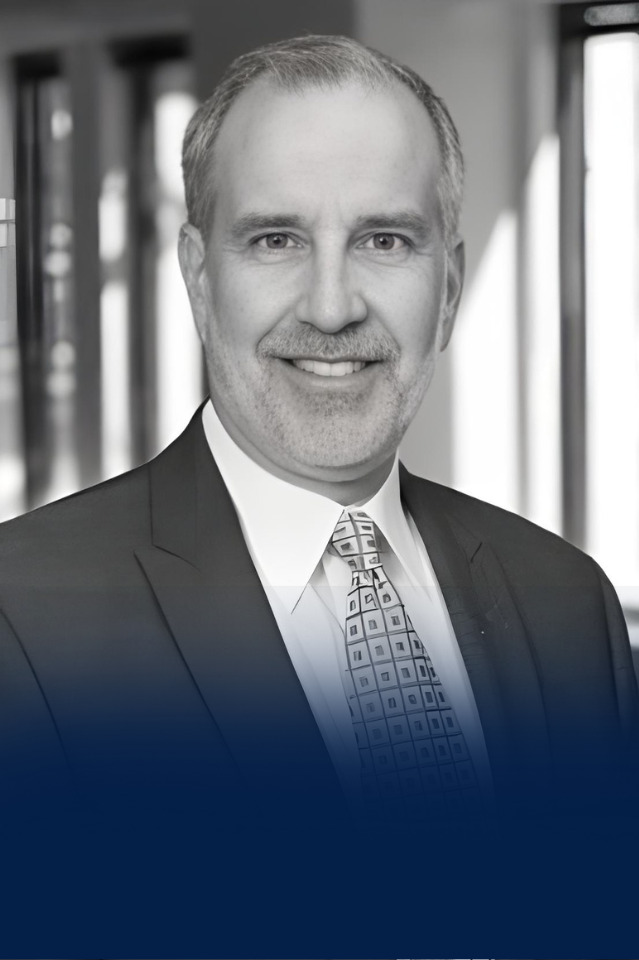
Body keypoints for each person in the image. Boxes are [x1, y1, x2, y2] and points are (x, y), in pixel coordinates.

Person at [0, 35, 637, 943]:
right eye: (275, 239)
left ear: (446, 288)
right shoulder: (21, 620)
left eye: (384, 239)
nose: (331, 307)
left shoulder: (566, 605)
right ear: (196, 276)